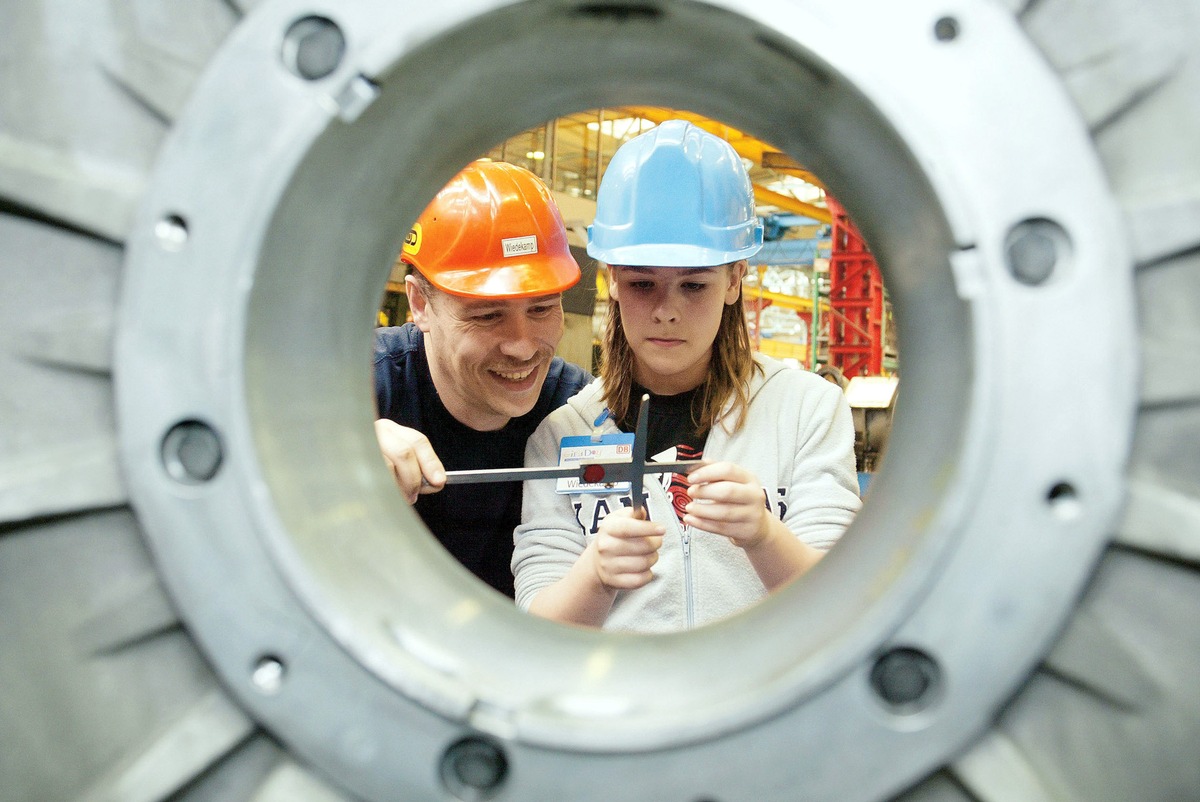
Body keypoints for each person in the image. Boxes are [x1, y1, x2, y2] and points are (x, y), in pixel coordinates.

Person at [512, 120, 861, 632]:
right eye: (642, 284)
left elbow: (843, 603)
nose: (665, 311)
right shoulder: (563, 433)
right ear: (610, 280)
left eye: (694, 286)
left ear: (734, 279)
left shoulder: (807, 410)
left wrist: (765, 536)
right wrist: (595, 576)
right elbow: (537, 627)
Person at [374, 160, 591, 598]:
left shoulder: (583, 417)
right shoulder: (349, 392)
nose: (523, 346)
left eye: (542, 308)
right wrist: (331, 454)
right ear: (419, 304)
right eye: (488, 315)